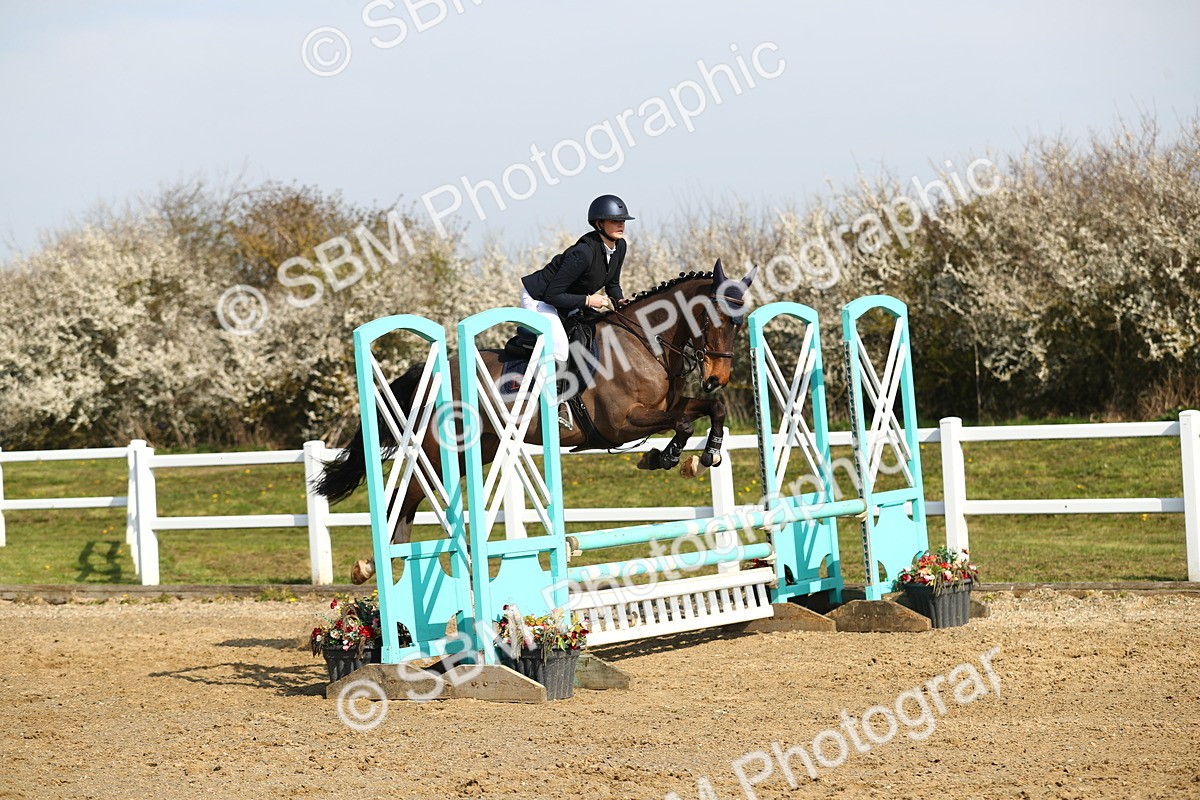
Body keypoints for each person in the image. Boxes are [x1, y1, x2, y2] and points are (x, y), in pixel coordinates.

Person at [520, 194, 634, 428]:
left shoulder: (619, 246)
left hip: (566, 300)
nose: (621, 224)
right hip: (540, 299)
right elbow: (552, 295)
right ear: (599, 223)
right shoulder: (583, 252)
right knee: (561, 346)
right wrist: (587, 301)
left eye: (623, 220)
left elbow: (612, 283)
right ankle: (557, 405)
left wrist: (619, 300)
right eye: (615, 220)